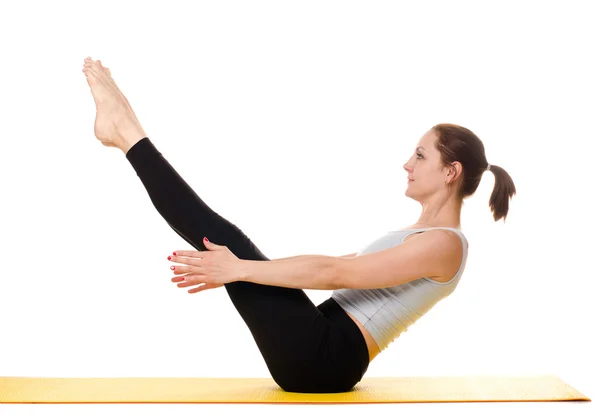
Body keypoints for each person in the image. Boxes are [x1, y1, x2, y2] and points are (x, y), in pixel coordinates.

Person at [81, 57, 517, 394]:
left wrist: (240, 269)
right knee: (233, 244)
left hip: (324, 358)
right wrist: (244, 267)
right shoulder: (422, 237)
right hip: (321, 343)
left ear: (451, 172)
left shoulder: (446, 245)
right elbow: (339, 265)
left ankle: (126, 132)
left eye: (421, 156)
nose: (407, 164)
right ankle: (125, 131)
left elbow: (336, 274)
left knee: (228, 242)